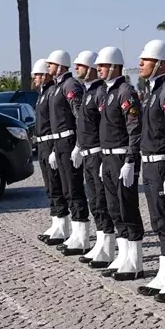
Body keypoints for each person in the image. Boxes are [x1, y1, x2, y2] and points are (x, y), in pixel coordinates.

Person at [135, 40, 165, 301]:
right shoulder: (155, 91)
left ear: (161, 63)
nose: (140, 63)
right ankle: (164, 274)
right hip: (150, 163)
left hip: (163, 163)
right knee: (159, 222)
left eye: (146, 60)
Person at [95, 46, 146, 280]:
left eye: (103, 66)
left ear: (114, 67)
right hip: (108, 156)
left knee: (128, 208)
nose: (99, 69)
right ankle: (124, 255)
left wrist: (130, 160)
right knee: (114, 208)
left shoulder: (126, 92)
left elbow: (134, 129)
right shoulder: (106, 93)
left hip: (121, 156)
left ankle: (135, 260)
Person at [46, 50, 91, 254]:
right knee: (66, 189)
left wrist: (79, 145)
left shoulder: (70, 85)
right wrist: (55, 149)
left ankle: (82, 235)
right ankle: (75, 232)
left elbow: (79, 116)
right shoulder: (58, 87)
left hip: (70, 139)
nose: (48, 67)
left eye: (51, 64)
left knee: (74, 188)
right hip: (60, 142)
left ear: (60, 65)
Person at [75, 52, 117, 266]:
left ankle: (108, 246)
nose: (76, 68)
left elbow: (104, 125)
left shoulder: (100, 92)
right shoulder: (88, 91)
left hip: (98, 154)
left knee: (102, 200)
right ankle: (101, 241)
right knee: (95, 201)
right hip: (87, 153)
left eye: (80, 65)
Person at [33, 59, 68, 244]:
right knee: (50, 187)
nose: (34, 77)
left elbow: (55, 124)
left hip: (50, 143)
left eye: (38, 74)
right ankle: (56, 222)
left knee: (56, 186)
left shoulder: (51, 92)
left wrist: (55, 148)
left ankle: (63, 225)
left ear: (46, 76)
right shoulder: (42, 94)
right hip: (41, 144)